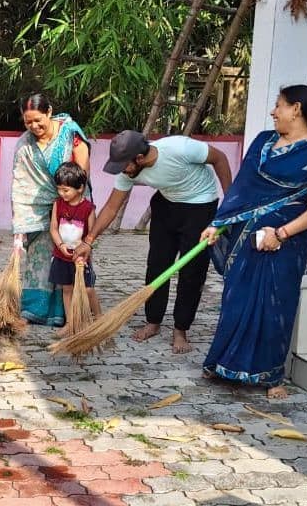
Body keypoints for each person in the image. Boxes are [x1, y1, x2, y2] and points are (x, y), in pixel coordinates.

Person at [201, 85, 307, 399]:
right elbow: (241, 190)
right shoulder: (263, 141)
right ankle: (225, 363)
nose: (273, 112)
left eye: (279, 105)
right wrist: (218, 223)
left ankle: (270, 374)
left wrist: (281, 234)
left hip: (286, 243)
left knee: (276, 303)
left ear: (297, 110)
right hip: (246, 236)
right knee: (237, 299)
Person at [77, 130, 233, 353]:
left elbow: (220, 158)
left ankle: (180, 329)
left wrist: (230, 201)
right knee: (157, 264)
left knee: (192, 271)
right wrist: (89, 240)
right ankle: (153, 321)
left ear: (139, 158)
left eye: (124, 165)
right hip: (167, 205)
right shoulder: (128, 170)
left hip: (200, 205)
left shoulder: (179, 148)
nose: (122, 170)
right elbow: (112, 206)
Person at [11, 94, 91, 327]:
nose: (34, 126)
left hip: (71, 210)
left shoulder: (70, 136)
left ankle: (70, 314)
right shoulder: (25, 144)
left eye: (38, 120)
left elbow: (81, 177)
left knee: (70, 257)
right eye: (28, 122)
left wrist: (70, 206)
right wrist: (19, 225)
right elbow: (20, 182)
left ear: (49, 113)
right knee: (40, 260)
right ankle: (35, 310)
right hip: (37, 210)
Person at [48, 162, 102, 320]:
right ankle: (70, 323)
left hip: (81, 258)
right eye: (59, 189)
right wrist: (61, 245)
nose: (61, 193)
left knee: (88, 289)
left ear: (80, 188)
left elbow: (92, 234)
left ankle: (99, 317)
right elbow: (53, 228)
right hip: (61, 256)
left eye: (65, 190)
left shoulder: (88, 208)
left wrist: (85, 251)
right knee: (67, 290)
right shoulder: (57, 204)